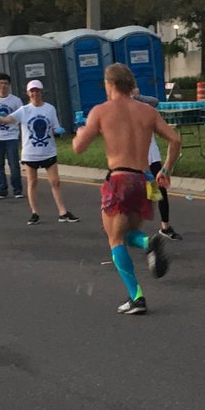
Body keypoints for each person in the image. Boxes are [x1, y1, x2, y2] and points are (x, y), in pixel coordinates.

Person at [72, 64, 182, 315]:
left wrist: (80, 132)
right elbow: (175, 139)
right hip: (145, 179)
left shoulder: (101, 111)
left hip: (119, 179)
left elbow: (78, 147)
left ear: (109, 84)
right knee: (128, 231)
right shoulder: (147, 111)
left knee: (115, 239)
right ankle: (148, 242)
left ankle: (136, 296)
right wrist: (165, 170)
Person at [0, 79, 78, 225]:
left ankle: (62, 212)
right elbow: (6, 120)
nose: (35, 94)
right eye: (32, 91)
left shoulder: (50, 109)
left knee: (55, 182)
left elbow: (54, 127)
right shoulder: (24, 110)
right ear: (28, 93)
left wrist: (58, 130)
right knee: (32, 182)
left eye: (37, 91)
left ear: (41, 92)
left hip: (48, 151)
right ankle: (35, 213)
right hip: (30, 153)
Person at [135, 94, 183, 241]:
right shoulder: (121, 111)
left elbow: (154, 101)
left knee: (159, 193)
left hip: (152, 159)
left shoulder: (146, 109)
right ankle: (128, 228)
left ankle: (165, 227)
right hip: (135, 161)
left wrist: (135, 96)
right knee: (138, 195)